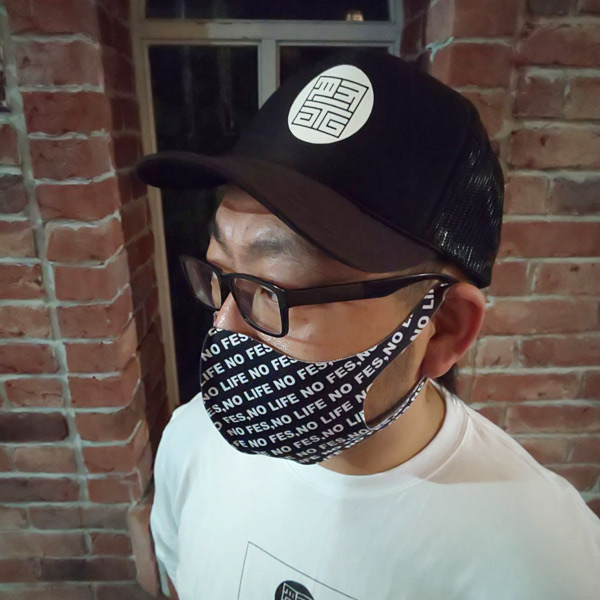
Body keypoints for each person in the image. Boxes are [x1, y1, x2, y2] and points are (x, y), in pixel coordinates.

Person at [134, 49, 600, 600]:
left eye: (273, 290)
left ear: (443, 327)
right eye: (218, 274)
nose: (225, 326)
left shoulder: (549, 563)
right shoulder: (192, 441)